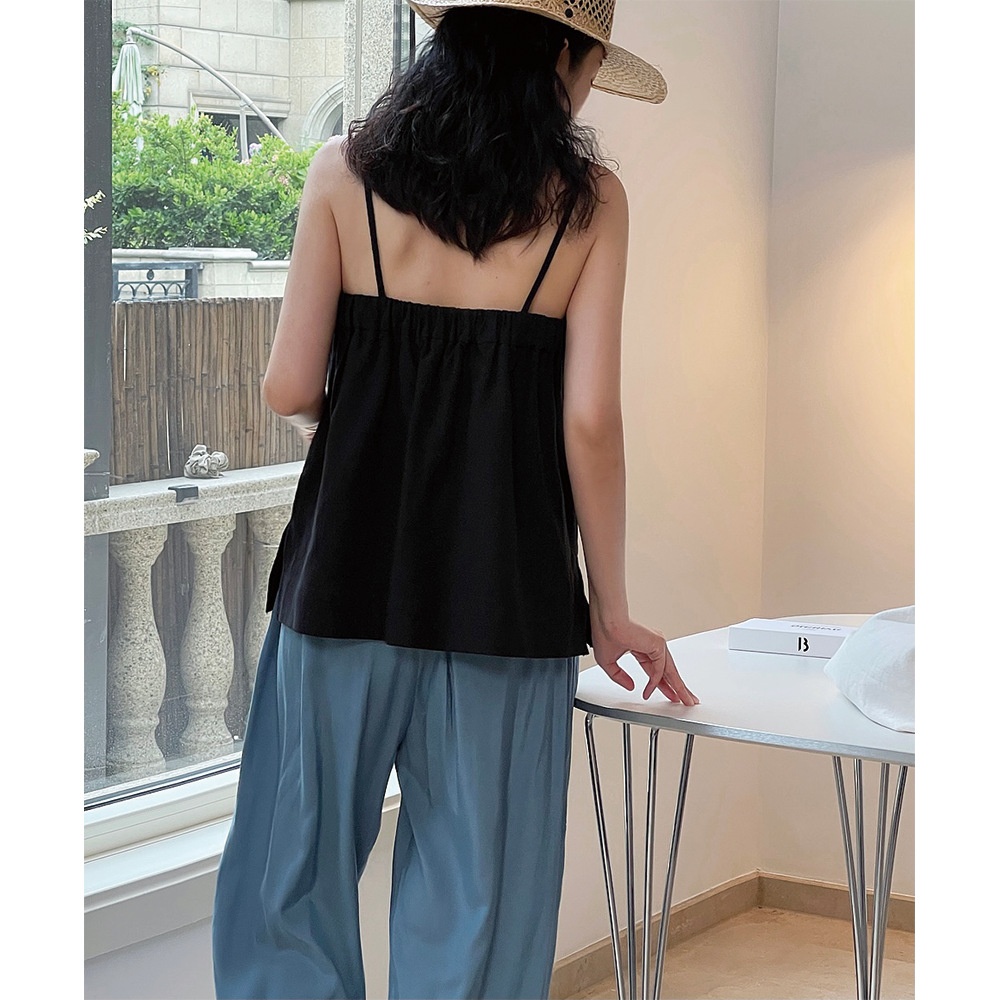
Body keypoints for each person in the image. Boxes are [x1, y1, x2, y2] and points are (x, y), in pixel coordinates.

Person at [212, 3, 698, 998]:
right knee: (478, 903)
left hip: (343, 582)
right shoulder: (589, 204)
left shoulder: (343, 173)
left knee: (287, 882)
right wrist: (609, 609)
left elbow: (288, 386)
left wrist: (377, 417)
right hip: (505, 600)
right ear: (560, 56)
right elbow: (589, 421)